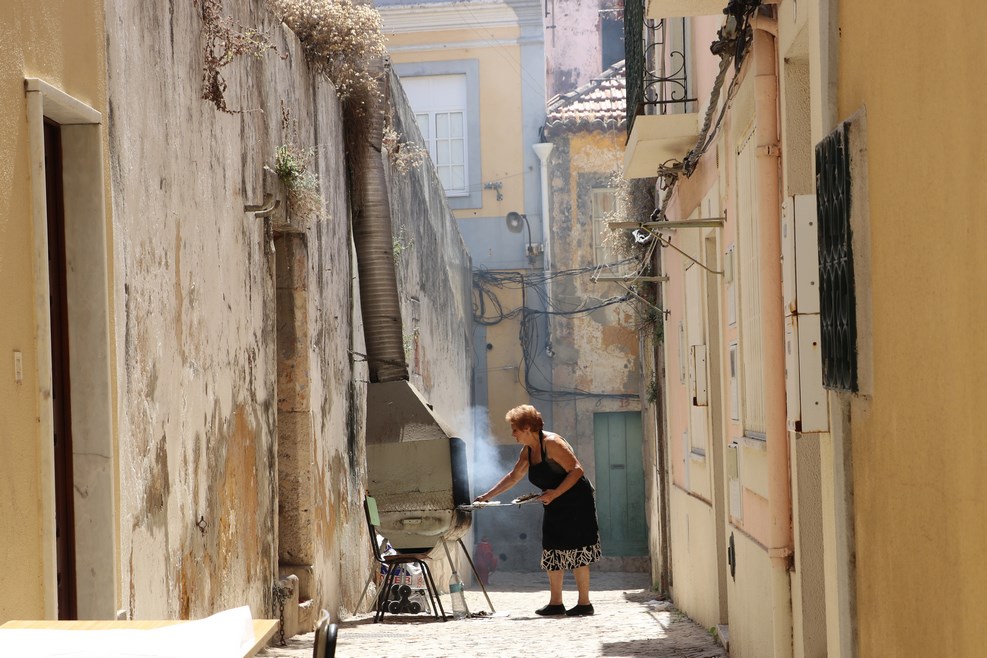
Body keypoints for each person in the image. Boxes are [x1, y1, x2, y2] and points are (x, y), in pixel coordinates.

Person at [474, 404, 601, 616]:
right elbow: (513, 477)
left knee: (577, 550)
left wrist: (555, 493)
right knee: (552, 549)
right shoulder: (528, 451)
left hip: (576, 502)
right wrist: (487, 496)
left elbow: (577, 470)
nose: (513, 434)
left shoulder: (552, 443)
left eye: (515, 429)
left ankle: (584, 603)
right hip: (554, 502)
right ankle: (556, 603)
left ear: (527, 428)